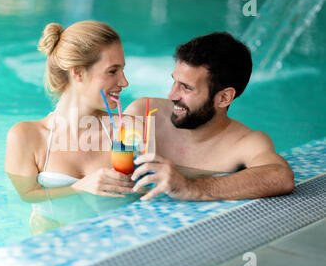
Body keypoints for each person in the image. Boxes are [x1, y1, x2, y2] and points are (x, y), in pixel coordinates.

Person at [125, 32, 295, 201]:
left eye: (186, 87)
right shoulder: (143, 114)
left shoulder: (244, 142)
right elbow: (100, 149)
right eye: (174, 81)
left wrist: (191, 187)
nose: (172, 95)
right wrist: (97, 175)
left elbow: (281, 176)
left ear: (224, 98)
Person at [5, 20, 139, 201]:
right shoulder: (26, 136)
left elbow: (147, 192)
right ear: (78, 73)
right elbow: (28, 195)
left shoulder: (129, 130)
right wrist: (79, 187)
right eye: (112, 71)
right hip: (53, 229)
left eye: (122, 70)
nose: (124, 82)